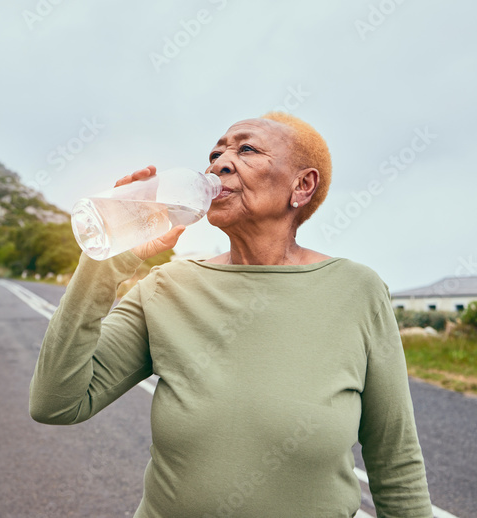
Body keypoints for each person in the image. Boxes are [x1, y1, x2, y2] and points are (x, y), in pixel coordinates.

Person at [28, 112, 433, 517]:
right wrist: (108, 255)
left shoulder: (356, 290)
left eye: (247, 149)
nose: (219, 162)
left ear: (303, 185)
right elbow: (57, 403)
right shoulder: (165, 287)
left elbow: (394, 460)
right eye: (216, 152)